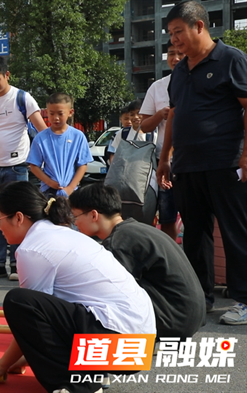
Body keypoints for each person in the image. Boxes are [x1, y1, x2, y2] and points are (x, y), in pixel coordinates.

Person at [0, 181, 155, 393]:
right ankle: (93, 374)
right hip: (138, 350)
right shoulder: (63, 234)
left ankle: (78, 386)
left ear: (18, 217)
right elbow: (51, 322)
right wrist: (27, 357)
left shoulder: (33, 249)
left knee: (18, 301)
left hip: (118, 345)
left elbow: (30, 314)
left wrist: (2, 364)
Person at [159, 1, 247, 324]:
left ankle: (244, 299)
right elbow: (174, 115)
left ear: (199, 26)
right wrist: (165, 157)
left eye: (179, 32)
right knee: (194, 234)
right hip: (187, 165)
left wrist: (246, 155)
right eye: (171, 34)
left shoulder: (231, 60)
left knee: (236, 230)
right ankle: (200, 297)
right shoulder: (179, 71)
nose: (174, 40)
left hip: (225, 162)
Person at [69, 183, 205, 338]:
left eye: (75, 217)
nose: (75, 223)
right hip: (185, 317)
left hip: (172, 323)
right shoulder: (136, 230)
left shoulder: (118, 243)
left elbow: (108, 293)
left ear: (94, 215)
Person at [0, 55, 48, 281]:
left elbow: (42, 131)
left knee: (17, 217)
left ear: (6, 75)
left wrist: (46, 162)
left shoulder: (22, 98)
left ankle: (16, 264)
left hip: (17, 168)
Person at [139, 41, 185, 240]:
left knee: (195, 215)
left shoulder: (200, 82)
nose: (175, 58)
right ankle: (172, 255)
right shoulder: (158, 87)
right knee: (167, 215)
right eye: (171, 54)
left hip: (193, 160)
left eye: (180, 54)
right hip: (164, 162)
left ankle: (193, 259)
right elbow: (144, 126)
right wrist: (160, 115)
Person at [27, 93, 92, 198]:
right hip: (48, 190)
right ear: (46, 112)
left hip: (72, 191)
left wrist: (70, 188)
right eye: (51, 114)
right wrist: (49, 182)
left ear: (70, 112)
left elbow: (83, 164)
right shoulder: (40, 138)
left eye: (60, 114)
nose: (55, 118)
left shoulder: (78, 136)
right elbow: (34, 166)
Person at [107, 100, 153, 165]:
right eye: (132, 114)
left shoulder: (153, 134)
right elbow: (115, 156)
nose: (136, 117)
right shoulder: (122, 134)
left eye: (139, 113)